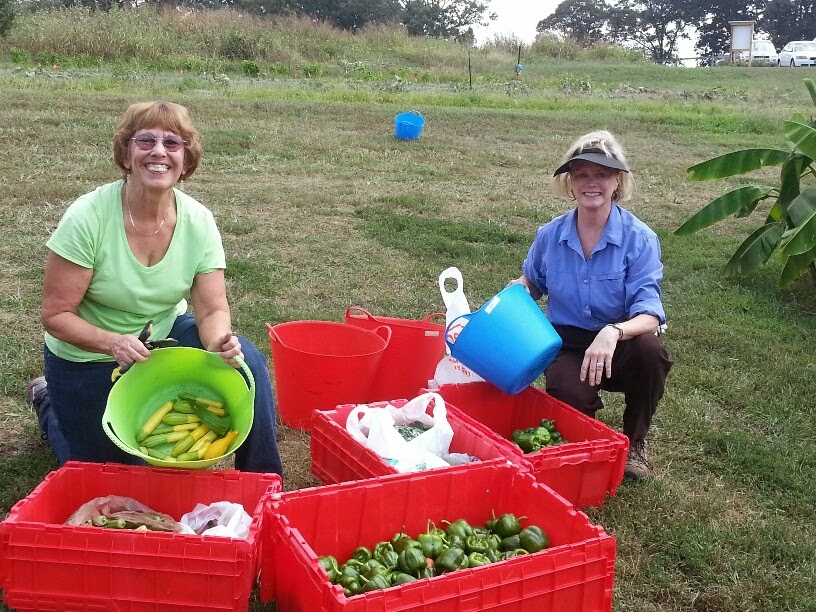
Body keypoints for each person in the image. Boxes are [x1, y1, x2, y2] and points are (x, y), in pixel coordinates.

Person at [26, 101, 283, 476]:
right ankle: (49, 401)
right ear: (127, 154)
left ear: (185, 160)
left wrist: (216, 342)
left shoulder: (198, 220)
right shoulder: (88, 217)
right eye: (145, 140)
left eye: (172, 143)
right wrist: (113, 342)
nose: (159, 151)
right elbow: (56, 315)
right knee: (110, 471)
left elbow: (212, 309)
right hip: (87, 355)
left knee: (248, 361)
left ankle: (263, 480)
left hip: (161, 336)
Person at [511, 130, 672, 480]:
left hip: (621, 343)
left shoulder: (639, 238)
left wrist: (613, 333)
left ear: (618, 181)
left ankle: (634, 444)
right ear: (570, 184)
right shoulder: (550, 235)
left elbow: (650, 313)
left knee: (650, 352)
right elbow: (532, 281)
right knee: (568, 392)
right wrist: (519, 289)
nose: (591, 183)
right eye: (582, 174)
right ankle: (588, 445)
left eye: (601, 174)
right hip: (568, 343)